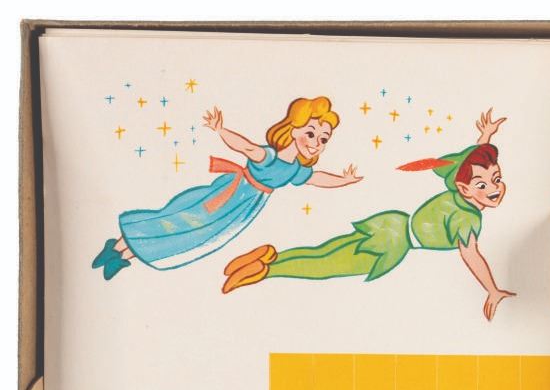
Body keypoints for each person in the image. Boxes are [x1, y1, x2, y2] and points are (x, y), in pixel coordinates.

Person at [220, 109, 516, 321]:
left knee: (326, 251)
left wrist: (486, 136)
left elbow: (468, 163)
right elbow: (471, 254)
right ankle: (265, 270)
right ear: (464, 188)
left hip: (392, 223)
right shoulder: (467, 218)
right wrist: (491, 290)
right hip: (392, 243)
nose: (494, 188)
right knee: (327, 264)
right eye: (483, 185)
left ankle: (269, 258)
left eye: (497, 179)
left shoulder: (457, 190)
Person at [91, 97, 362, 279]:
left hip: (243, 208)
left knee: (196, 235)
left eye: (323, 139)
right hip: (229, 194)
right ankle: (117, 246)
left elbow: (317, 178)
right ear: (293, 130)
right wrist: (221, 130)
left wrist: (344, 180)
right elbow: (245, 147)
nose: (315, 143)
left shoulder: (294, 169)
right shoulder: (269, 156)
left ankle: (123, 255)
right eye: (311, 134)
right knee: (180, 219)